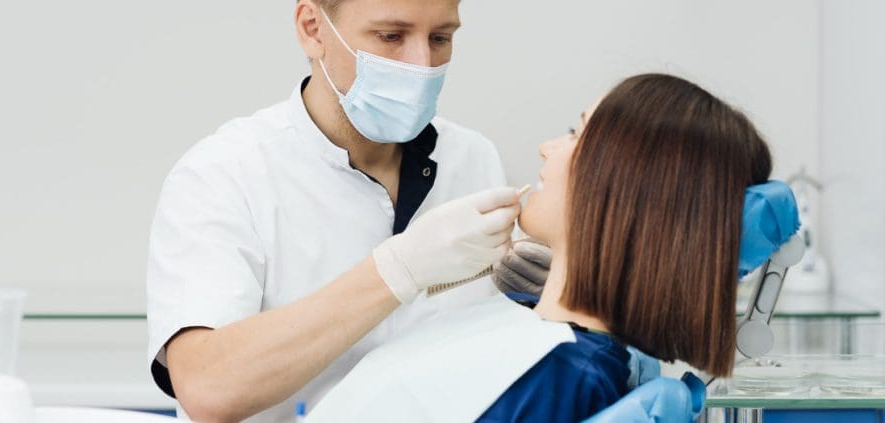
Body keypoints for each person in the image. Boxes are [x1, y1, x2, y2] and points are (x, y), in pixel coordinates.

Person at [145, 0, 550, 421]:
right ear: (313, 28)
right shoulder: (223, 174)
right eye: (391, 36)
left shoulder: (473, 157)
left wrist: (545, 302)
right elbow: (207, 387)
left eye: (440, 38)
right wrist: (397, 270)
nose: (422, 65)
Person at [479, 73, 772, 420]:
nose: (547, 147)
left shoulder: (560, 376)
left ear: (625, 188)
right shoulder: (558, 357)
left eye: (577, 134)